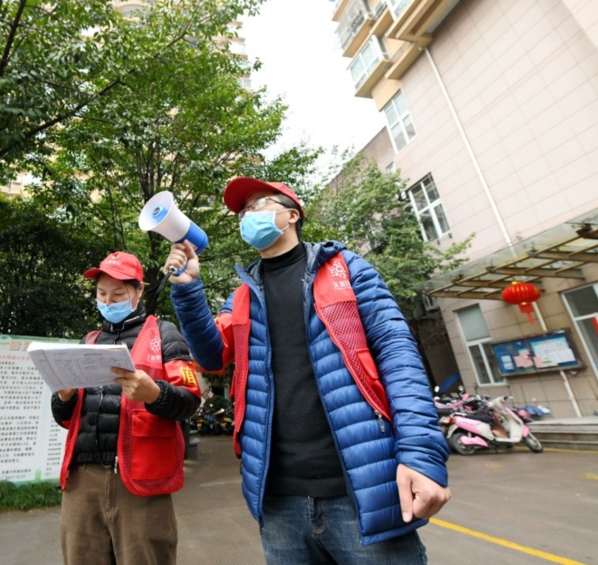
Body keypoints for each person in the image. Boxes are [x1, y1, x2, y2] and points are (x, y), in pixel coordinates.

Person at [164, 177, 451, 564]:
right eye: (243, 211)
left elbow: (399, 357)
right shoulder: (244, 294)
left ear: (292, 215)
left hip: (360, 492)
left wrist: (420, 455)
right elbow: (214, 358)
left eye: (260, 204)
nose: (249, 215)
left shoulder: (347, 270)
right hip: (280, 502)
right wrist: (187, 290)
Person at [51, 251, 201, 565]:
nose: (108, 300)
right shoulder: (88, 341)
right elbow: (65, 417)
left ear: (139, 291)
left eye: (118, 294)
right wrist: (63, 397)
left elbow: (189, 401)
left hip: (140, 481)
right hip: (82, 479)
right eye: (102, 294)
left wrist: (154, 393)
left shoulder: (164, 334)